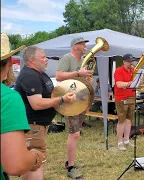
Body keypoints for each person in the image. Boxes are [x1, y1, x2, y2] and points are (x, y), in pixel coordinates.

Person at [14, 46, 76, 180]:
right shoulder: (30, 75)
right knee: (36, 162)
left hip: (38, 126)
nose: (46, 59)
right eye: (43, 57)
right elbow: (36, 104)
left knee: (31, 163)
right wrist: (61, 99)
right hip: (33, 126)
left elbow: (49, 94)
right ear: (32, 60)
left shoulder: (40, 73)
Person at [1, 33, 44, 179]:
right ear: (9, 64)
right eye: (43, 57)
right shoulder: (8, 98)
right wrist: (35, 156)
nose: (46, 60)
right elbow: (16, 165)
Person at [56, 37, 93, 179]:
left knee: (76, 132)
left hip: (82, 99)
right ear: (75, 46)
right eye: (83, 44)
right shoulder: (67, 58)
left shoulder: (83, 59)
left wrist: (87, 79)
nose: (85, 46)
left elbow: (82, 79)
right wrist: (78, 73)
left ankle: (70, 162)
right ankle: (70, 168)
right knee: (74, 133)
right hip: (70, 100)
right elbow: (59, 76)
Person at [113, 53, 137, 151]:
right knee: (121, 120)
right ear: (123, 62)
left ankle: (127, 140)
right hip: (121, 98)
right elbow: (118, 84)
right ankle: (119, 142)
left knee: (129, 120)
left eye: (131, 61)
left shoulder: (133, 70)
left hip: (132, 96)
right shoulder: (118, 71)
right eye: (128, 61)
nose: (130, 63)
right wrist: (130, 83)